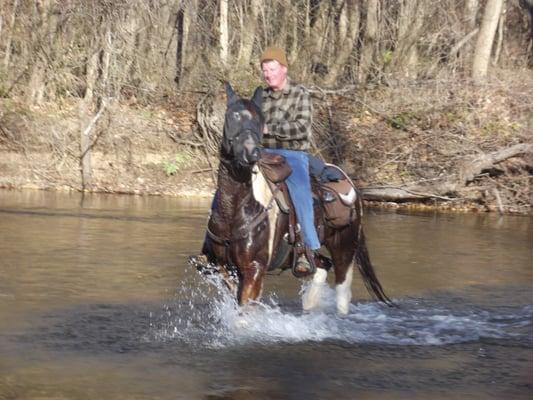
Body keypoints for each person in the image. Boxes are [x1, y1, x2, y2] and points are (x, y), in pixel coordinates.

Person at [259, 46, 321, 275]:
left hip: (292, 155)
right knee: (230, 182)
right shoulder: (261, 95)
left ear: (283, 69)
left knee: (301, 193)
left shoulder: (300, 94)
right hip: (262, 154)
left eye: (272, 69)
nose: (268, 74)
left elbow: (302, 128)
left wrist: (268, 129)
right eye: (265, 70)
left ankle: (307, 248)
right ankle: (214, 243)